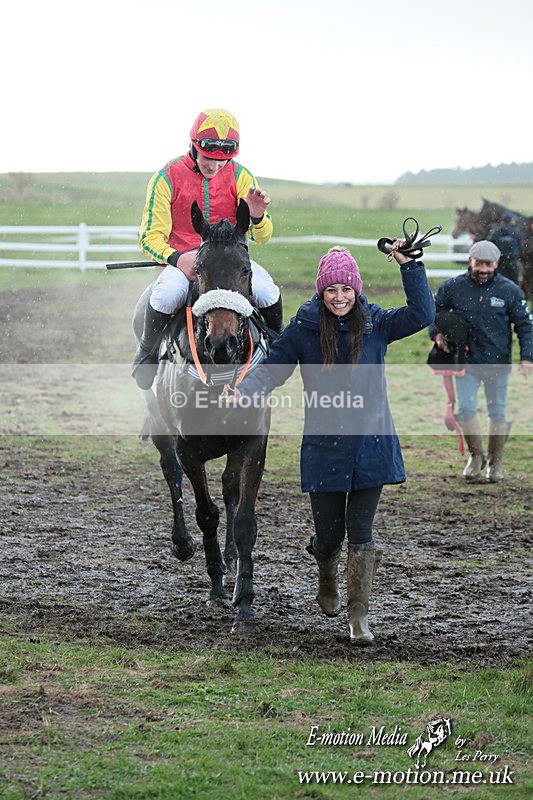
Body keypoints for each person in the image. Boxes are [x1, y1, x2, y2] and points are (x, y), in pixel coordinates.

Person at [222, 242, 435, 644]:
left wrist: (411, 266)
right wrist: (245, 388)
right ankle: (325, 569)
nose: (339, 298)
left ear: (356, 291)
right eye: (331, 291)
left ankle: (359, 617)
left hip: (372, 443)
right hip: (325, 448)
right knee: (328, 536)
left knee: (362, 532)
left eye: (346, 291)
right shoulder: (304, 327)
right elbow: (273, 368)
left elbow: (423, 313)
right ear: (322, 293)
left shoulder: (376, 322)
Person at [132, 107, 283, 389]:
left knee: (268, 291)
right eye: (208, 158)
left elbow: (262, 237)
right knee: (165, 295)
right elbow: (149, 237)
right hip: (184, 260)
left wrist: (258, 217)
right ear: (194, 147)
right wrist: (177, 259)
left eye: (223, 161)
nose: (214, 167)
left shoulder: (242, 177)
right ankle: (147, 354)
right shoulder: (166, 177)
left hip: (230, 262)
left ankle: (277, 351)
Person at [431, 240, 533, 482]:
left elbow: (525, 326)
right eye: (479, 264)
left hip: (498, 363)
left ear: (496, 263)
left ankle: (496, 462)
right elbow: (433, 312)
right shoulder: (453, 287)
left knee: (497, 410)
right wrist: (435, 333)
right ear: (470, 261)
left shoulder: (510, 291)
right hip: (466, 361)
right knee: (465, 408)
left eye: (488, 264)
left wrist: (527, 357)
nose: (483, 269)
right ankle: (476, 457)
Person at [487, 214, 523, 285]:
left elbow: (491, 245)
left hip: (500, 263)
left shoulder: (496, 232)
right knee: (513, 284)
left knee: (498, 283)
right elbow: (520, 246)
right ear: (511, 221)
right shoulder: (516, 233)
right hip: (512, 262)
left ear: (502, 222)